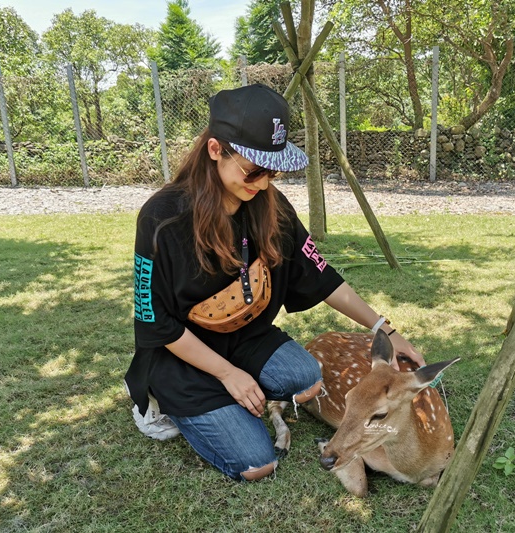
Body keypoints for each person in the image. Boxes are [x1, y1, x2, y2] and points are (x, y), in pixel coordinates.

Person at [124, 83, 425, 482]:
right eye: (254, 170)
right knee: (257, 465)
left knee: (306, 380)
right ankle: (160, 401)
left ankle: (234, 385)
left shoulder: (270, 204)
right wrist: (227, 374)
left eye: (273, 169)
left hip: (245, 336)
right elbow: (155, 321)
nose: (264, 183)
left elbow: (320, 274)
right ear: (216, 150)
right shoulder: (161, 218)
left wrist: (384, 328)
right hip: (180, 353)